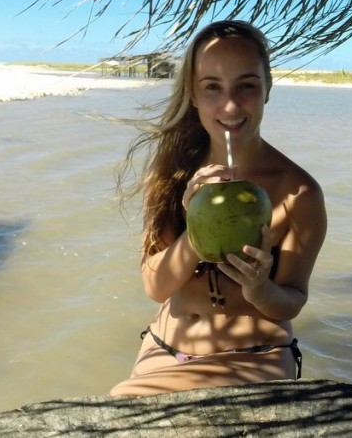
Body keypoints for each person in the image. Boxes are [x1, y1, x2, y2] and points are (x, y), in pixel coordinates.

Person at [109, 20, 327, 396]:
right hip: (165, 350)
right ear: (193, 94)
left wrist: (259, 289)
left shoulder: (299, 193)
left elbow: (291, 301)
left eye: (247, 86)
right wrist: (196, 230)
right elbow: (155, 286)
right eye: (212, 87)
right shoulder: (171, 175)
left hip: (255, 356)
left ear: (267, 89)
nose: (230, 104)